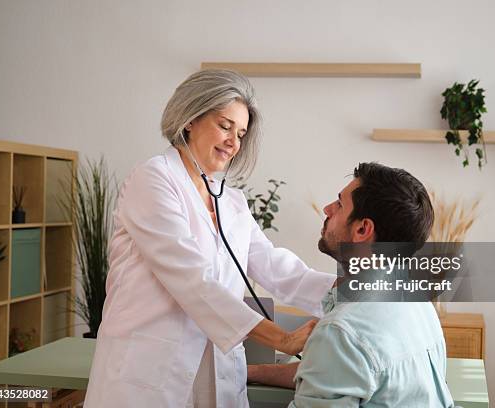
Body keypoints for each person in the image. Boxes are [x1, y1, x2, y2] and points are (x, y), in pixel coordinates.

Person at [83, 69, 336, 408]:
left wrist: (368, 288)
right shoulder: (153, 180)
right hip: (149, 378)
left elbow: (279, 269)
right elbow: (192, 280)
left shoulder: (231, 201)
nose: (234, 142)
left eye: (241, 133)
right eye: (225, 125)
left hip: (217, 375)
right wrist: (282, 338)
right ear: (190, 119)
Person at [247, 162, 455, 407]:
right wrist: (252, 371)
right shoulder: (416, 302)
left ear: (363, 229)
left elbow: (340, 362)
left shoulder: (341, 333)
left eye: (339, 204)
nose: (327, 209)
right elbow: (336, 373)